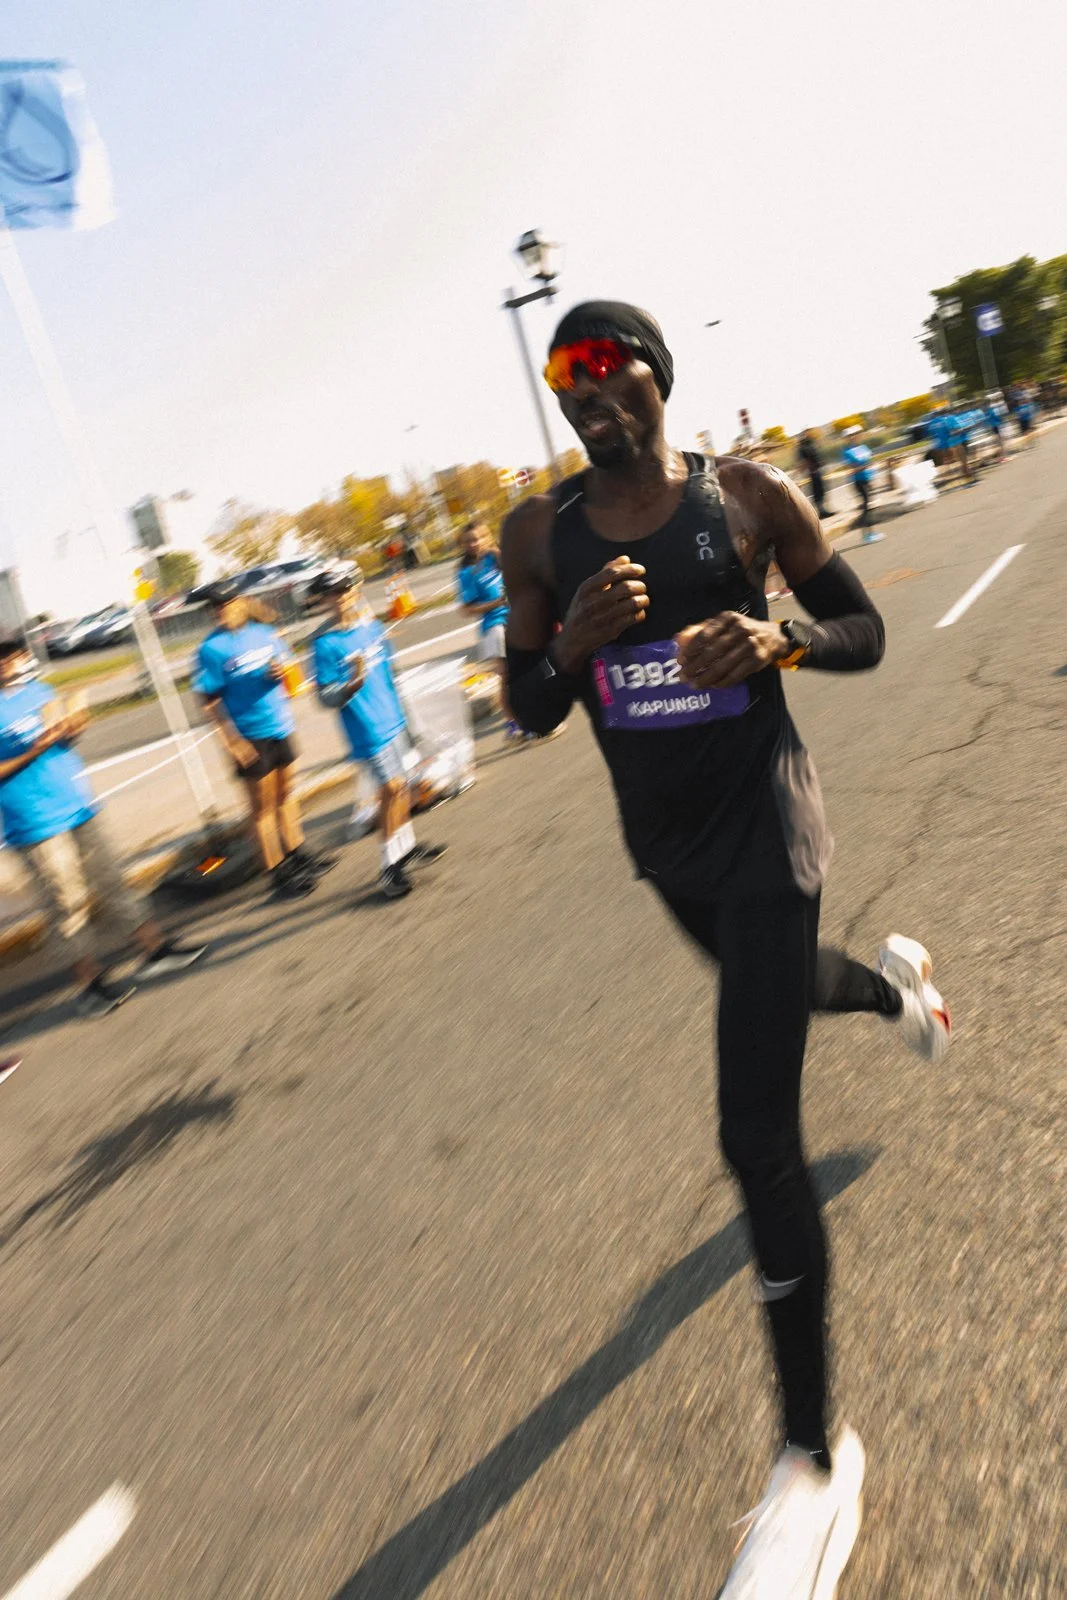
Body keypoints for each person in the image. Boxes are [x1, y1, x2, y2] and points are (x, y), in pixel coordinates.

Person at [500, 300, 951, 1596]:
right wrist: (571, 646)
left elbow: (862, 629)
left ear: (656, 378)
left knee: (751, 1132)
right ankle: (894, 991)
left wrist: (778, 639)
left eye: (609, 367)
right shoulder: (536, 535)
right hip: (670, 850)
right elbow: (524, 706)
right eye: (566, 375)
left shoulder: (745, 499)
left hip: (767, 827)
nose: (588, 391)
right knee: (789, 990)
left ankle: (811, 1462)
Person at [0, 635, 206, 1018]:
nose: (8, 664)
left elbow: (63, 741)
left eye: (12, 656)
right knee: (67, 903)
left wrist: (73, 728)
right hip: (34, 822)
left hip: (77, 804)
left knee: (112, 881)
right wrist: (35, 749)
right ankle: (88, 984)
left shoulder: (39, 692)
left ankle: (153, 950)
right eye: (2, 659)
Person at [309, 568, 445, 901]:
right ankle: (388, 866)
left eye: (345, 590)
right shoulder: (324, 643)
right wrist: (349, 686)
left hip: (393, 719)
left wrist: (408, 721)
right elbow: (324, 696)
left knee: (403, 788)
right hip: (367, 728)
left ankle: (406, 847)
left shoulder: (372, 628)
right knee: (391, 790)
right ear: (324, 600)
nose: (340, 598)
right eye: (332, 594)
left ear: (355, 592)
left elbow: (391, 675)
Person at [196, 580, 332, 901]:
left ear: (241, 603)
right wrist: (231, 742)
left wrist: (280, 674)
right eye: (215, 608)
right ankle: (276, 871)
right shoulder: (211, 649)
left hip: (279, 725)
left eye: (226, 605)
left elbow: (289, 669)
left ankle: (297, 853)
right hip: (249, 735)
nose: (221, 611)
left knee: (286, 795)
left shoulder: (265, 633)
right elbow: (208, 701)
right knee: (262, 808)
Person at [457, 522, 523, 743]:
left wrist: (495, 551)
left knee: (525, 666)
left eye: (478, 538)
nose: (474, 543)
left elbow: (516, 570)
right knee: (506, 675)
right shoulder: (467, 572)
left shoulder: (494, 558)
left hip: (516, 617)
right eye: (468, 541)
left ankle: (531, 713)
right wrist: (496, 603)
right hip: (493, 625)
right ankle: (512, 723)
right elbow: (466, 609)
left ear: (487, 537)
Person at [840, 426, 883, 542]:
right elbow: (851, 469)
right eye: (850, 435)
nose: (854, 436)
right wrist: (864, 466)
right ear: (847, 438)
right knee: (866, 507)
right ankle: (867, 535)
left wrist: (873, 478)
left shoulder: (863, 447)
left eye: (856, 434)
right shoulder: (846, 452)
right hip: (858, 481)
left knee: (869, 506)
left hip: (868, 479)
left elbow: (871, 460)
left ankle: (871, 533)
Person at [795, 429, 829, 521]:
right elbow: (803, 460)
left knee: (821, 489)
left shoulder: (811, 443)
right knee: (816, 491)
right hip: (812, 471)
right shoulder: (802, 447)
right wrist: (803, 470)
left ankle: (823, 510)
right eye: (807, 433)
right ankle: (820, 511)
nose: (809, 434)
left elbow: (816, 455)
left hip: (817, 469)